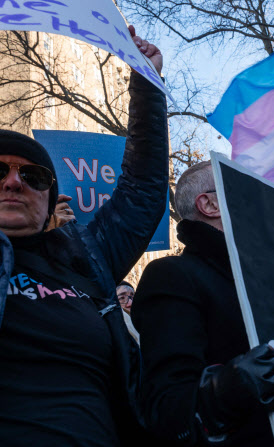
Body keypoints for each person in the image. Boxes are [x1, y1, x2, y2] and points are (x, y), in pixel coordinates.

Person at [0, 29, 168, 446]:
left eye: (32, 175)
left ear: (49, 198)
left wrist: (146, 83)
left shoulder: (85, 257)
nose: (14, 182)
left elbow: (142, 190)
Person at [131, 161, 274, 446]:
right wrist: (225, 390)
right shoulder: (172, 276)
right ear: (210, 204)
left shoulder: (269, 278)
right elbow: (167, 412)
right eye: (243, 191)